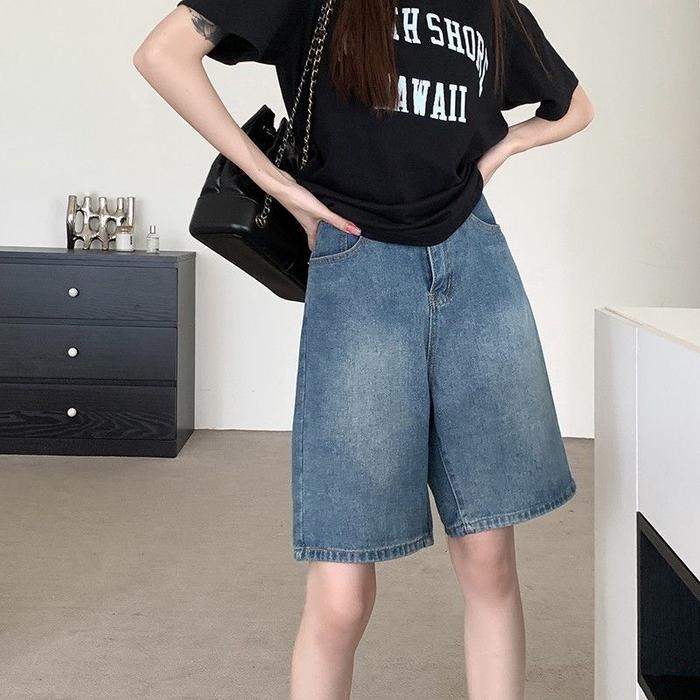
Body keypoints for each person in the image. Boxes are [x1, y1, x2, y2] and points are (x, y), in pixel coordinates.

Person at [134, 1, 594, 697]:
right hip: (359, 267)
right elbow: (163, 53)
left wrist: (499, 153)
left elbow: (575, 106)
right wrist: (276, 182)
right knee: (342, 592)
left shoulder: (491, 6)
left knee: (490, 560)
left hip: (474, 263)